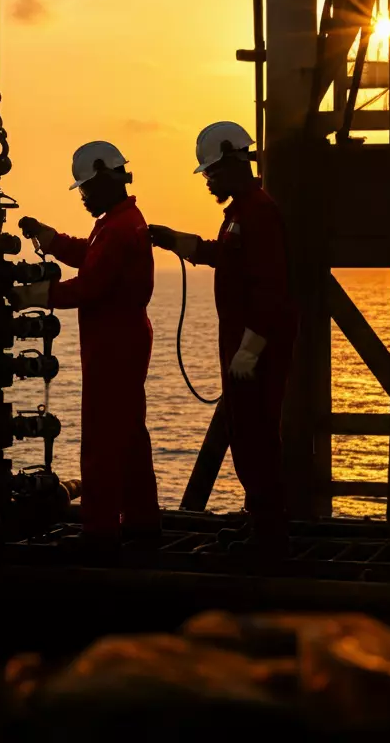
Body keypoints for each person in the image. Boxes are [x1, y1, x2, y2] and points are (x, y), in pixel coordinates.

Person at [150, 121, 296, 556]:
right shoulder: (240, 213)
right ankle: (260, 522)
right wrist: (177, 242)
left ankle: (269, 535)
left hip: (255, 348)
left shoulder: (258, 213)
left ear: (233, 161)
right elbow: (225, 258)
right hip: (240, 343)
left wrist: (250, 350)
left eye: (212, 171)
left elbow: (271, 287)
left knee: (257, 435)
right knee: (246, 432)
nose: (208, 180)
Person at [12, 141, 159, 547]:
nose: (83, 197)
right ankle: (142, 522)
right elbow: (91, 257)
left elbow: (90, 285)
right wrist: (51, 239)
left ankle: (100, 531)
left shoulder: (117, 228)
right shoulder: (119, 221)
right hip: (122, 338)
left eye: (87, 188)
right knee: (129, 435)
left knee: (102, 436)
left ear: (104, 177)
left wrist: (35, 295)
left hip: (113, 344)